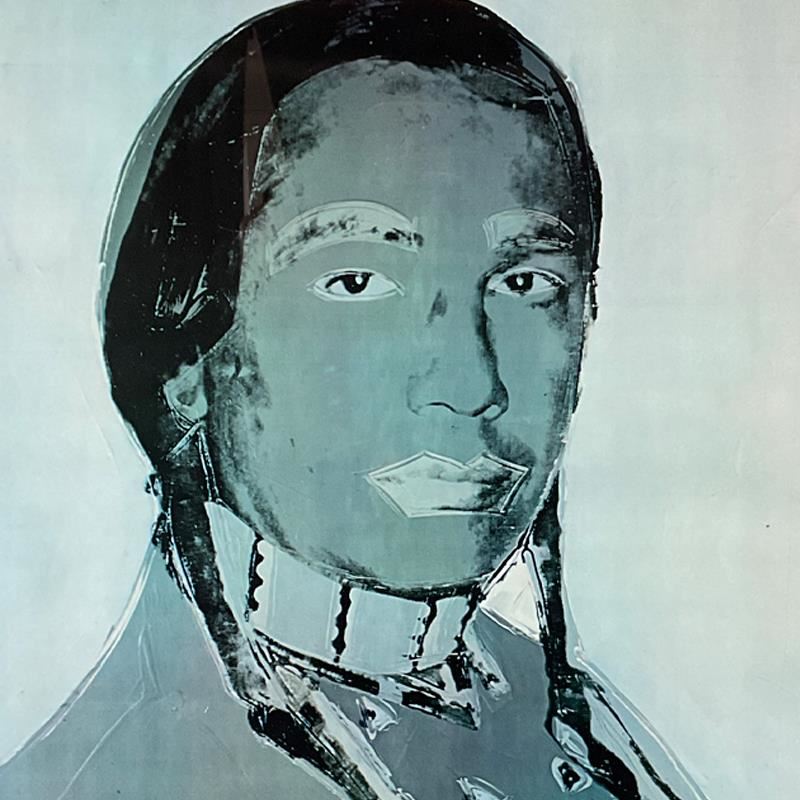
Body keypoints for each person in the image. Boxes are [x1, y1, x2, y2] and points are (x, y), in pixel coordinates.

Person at [0, 1, 707, 798]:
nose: (472, 385)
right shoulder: (112, 773)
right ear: (185, 359)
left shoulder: (591, 736)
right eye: (357, 281)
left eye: (524, 284)